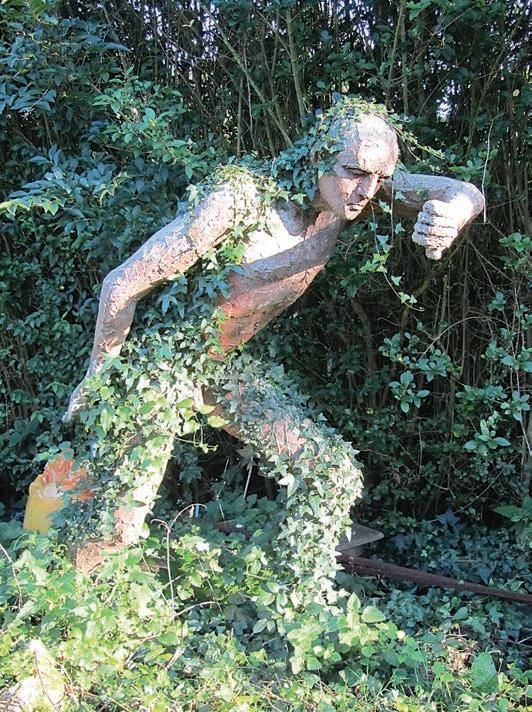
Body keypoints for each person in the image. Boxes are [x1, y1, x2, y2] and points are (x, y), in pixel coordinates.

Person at [63, 103, 485, 578]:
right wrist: (100, 376)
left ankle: (294, 593)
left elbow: (462, 192)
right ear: (318, 158)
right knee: (114, 528)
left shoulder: (352, 193)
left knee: (328, 473)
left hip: (218, 369)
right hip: (156, 367)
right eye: (355, 172)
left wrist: (453, 213)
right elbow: (122, 283)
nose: (368, 191)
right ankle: (69, 603)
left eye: (380, 178)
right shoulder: (239, 200)